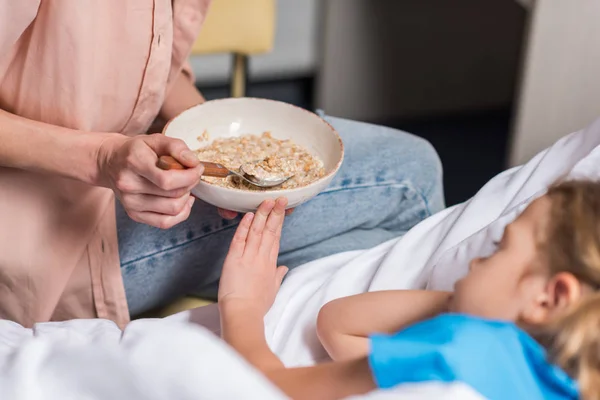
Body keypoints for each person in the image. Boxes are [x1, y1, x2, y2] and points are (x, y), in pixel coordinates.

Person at [0, 1, 444, 326]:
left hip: (128, 165)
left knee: (368, 257)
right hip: (44, 237)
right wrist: (99, 158)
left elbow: (142, 59)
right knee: (412, 181)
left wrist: (217, 155)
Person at [217, 180, 600, 400]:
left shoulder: (466, 347)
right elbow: (337, 326)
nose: (476, 260)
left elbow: (271, 387)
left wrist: (241, 306)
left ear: (550, 298)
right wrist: (478, 301)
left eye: (500, 248)